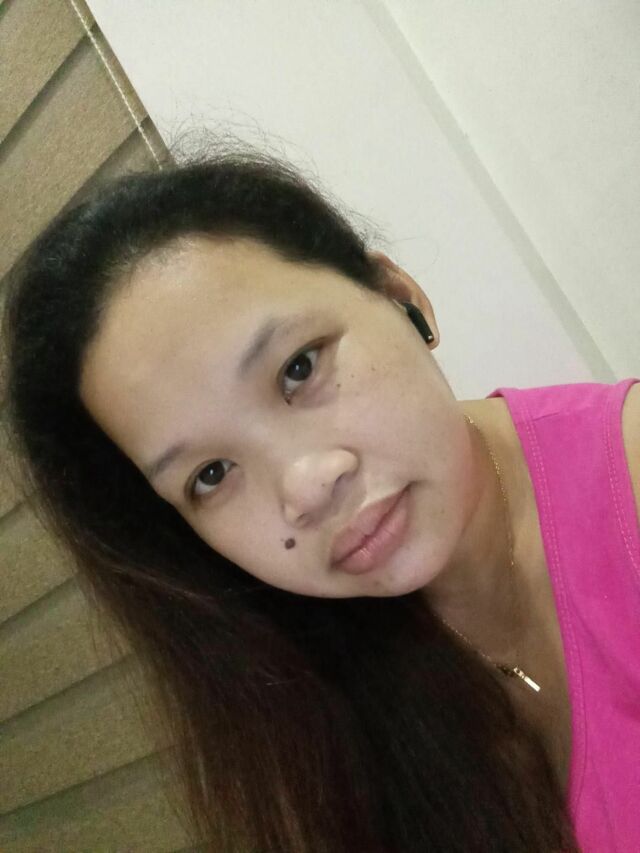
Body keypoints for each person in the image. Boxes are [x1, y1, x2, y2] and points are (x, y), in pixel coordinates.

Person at [3, 146, 637, 852]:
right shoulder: (314, 711)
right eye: (211, 474)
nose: (305, 486)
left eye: (299, 367)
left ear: (399, 295)